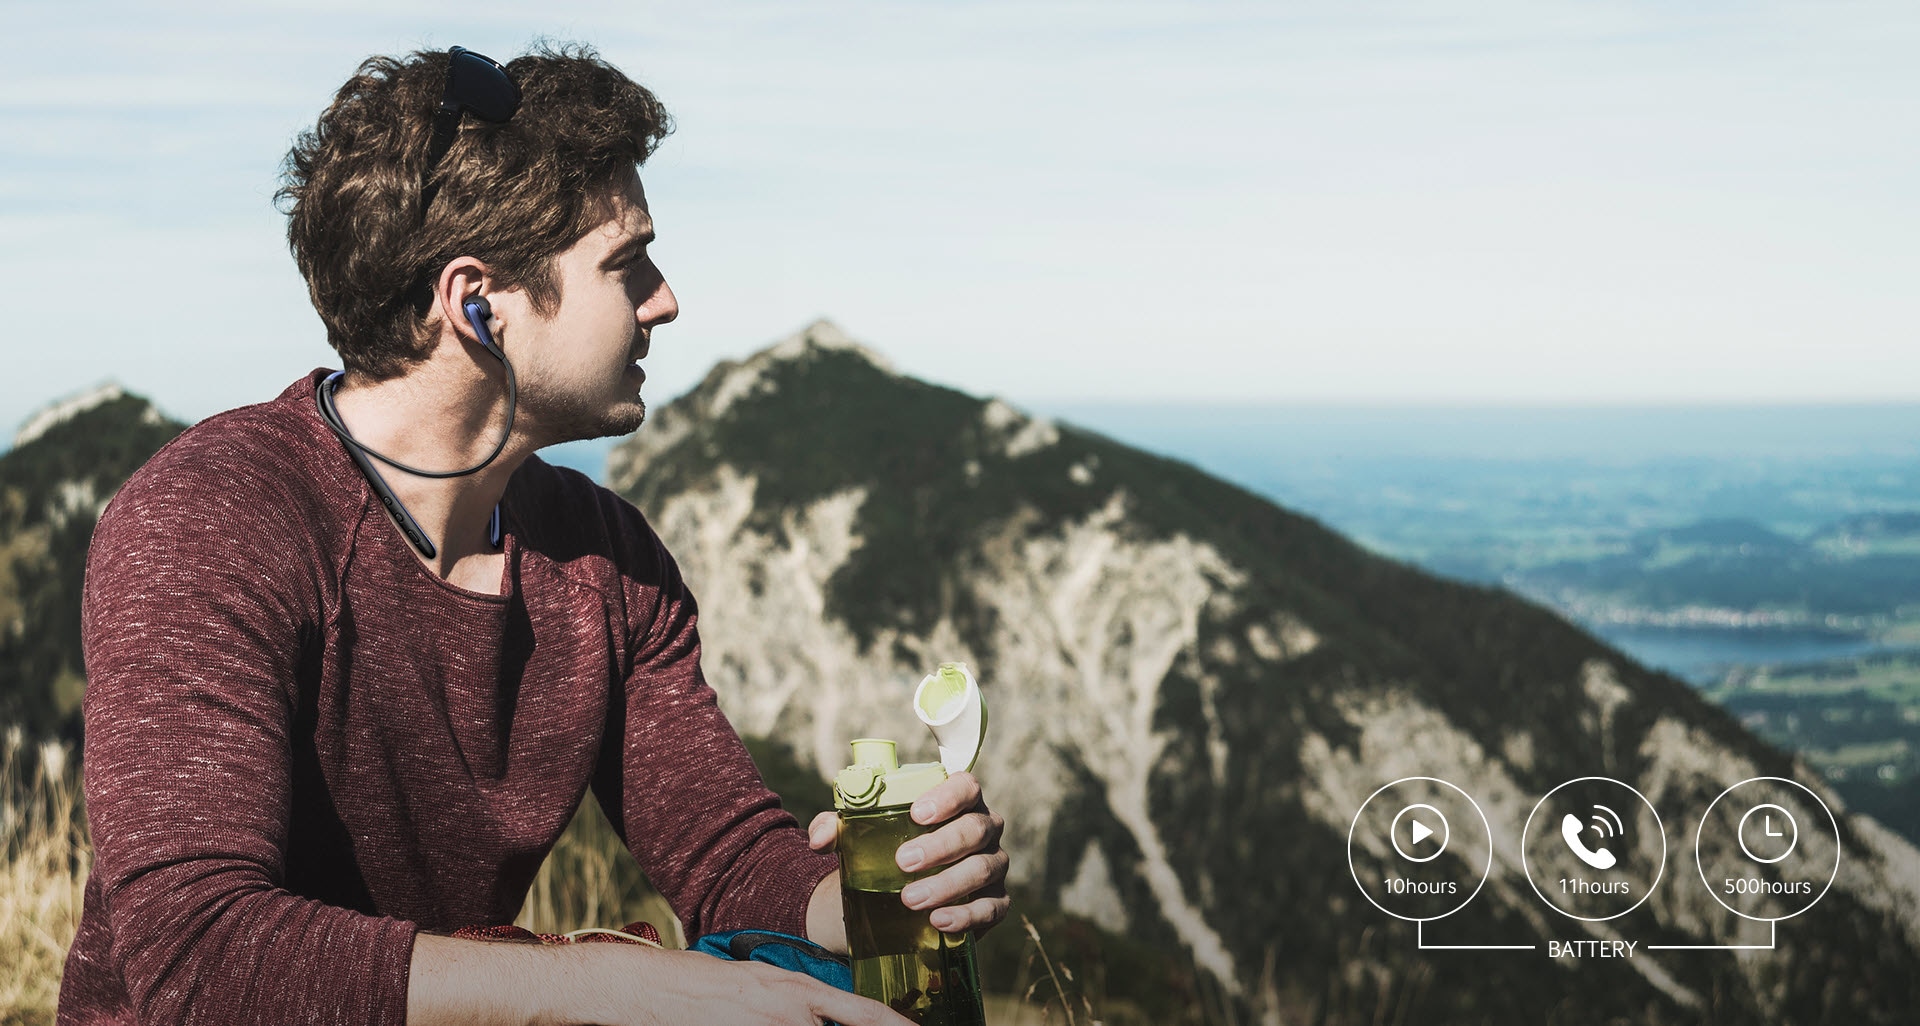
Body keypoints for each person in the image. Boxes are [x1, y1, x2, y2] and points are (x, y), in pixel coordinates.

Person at [56, 43, 1009, 1026]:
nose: (665, 299)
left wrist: (878, 893)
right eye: (625, 264)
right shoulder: (214, 518)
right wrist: (614, 982)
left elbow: (727, 861)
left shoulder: (609, 558)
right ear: (478, 304)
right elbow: (202, 963)